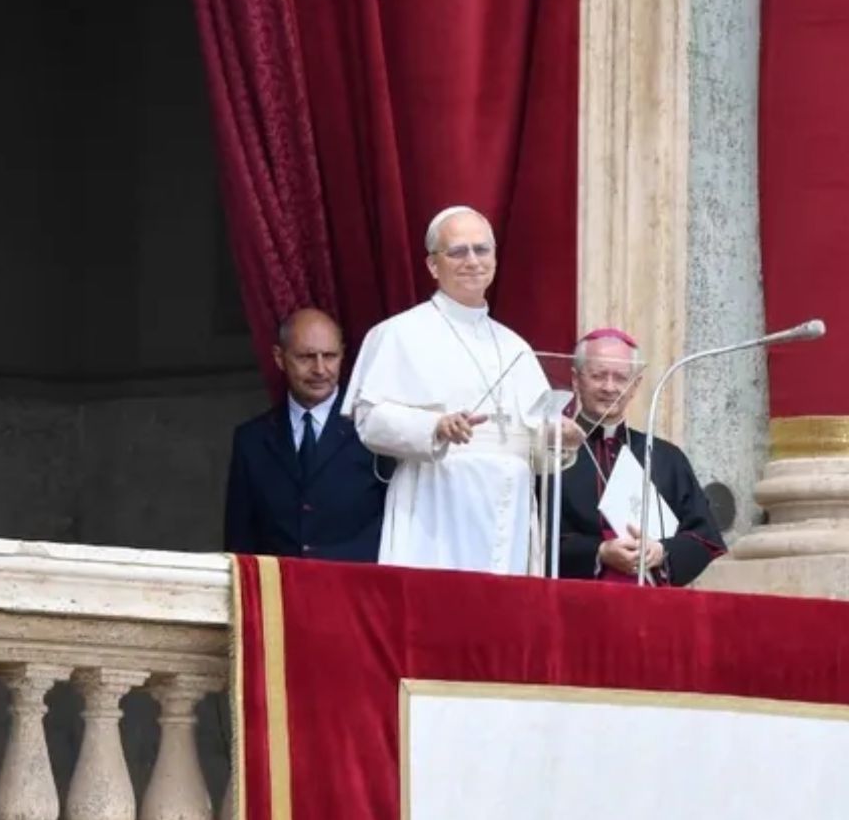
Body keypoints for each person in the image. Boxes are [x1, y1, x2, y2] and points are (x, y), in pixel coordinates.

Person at [340, 205, 583, 575]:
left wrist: (557, 439)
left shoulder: (515, 346)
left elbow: (535, 445)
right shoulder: (399, 334)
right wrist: (435, 427)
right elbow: (369, 420)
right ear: (433, 266)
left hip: (509, 509)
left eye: (481, 249)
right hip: (437, 504)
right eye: (457, 251)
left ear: (495, 258)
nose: (472, 261)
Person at [555, 328, 726, 586]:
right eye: (598, 375)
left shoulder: (666, 458)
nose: (609, 387)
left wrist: (661, 551)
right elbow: (533, 538)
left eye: (620, 378)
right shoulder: (549, 452)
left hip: (650, 602)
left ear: (634, 385)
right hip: (574, 599)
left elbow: (704, 537)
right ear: (576, 379)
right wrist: (599, 552)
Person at [224, 308, 389, 562]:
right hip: (279, 583)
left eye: (330, 356)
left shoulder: (373, 426)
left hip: (354, 582)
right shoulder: (251, 440)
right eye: (306, 357)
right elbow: (240, 541)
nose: (320, 369)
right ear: (279, 358)